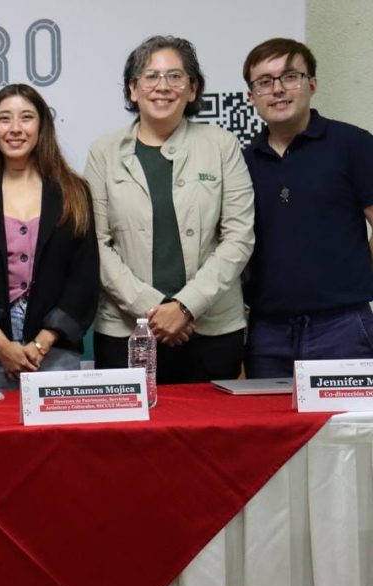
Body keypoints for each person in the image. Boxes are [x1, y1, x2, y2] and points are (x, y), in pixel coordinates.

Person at [85, 35, 254, 383]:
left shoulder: (222, 145)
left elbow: (239, 236)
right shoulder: (104, 152)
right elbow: (96, 244)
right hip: (127, 330)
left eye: (175, 76)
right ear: (133, 89)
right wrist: (153, 311)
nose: (163, 87)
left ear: (192, 89)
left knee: (212, 434)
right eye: (151, 76)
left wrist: (185, 306)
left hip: (212, 329)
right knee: (129, 437)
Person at [241, 38, 373, 377]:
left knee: (347, 429)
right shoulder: (242, 161)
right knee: (268, 429)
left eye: (290, 77)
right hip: (267, 332)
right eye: (265, 82)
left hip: (342, 326)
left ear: (312, 84)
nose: (278, 90)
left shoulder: (354, 144)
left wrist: (353, 274)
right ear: (251, 96)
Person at [0, 84, 99, 389]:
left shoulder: (74, 193)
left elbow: (83, 278)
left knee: (59, 437)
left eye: (27, 118)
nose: (15, 129)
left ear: (42, 127)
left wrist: (42, 342)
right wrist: (1, 344)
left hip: (55, 346)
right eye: (5, 119)